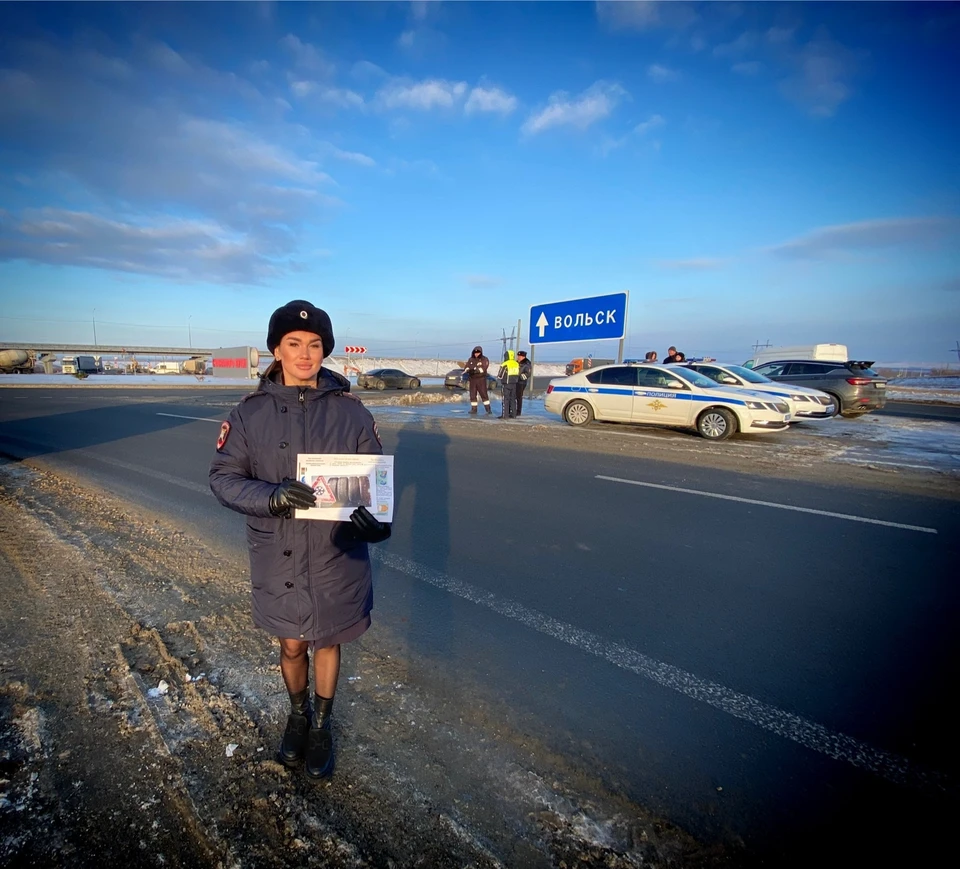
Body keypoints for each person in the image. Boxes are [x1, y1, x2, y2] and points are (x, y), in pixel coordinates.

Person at [209, 300, 392, 781]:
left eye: (314, 345)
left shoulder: (352, 414)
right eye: (294, 344)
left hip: (336, 552)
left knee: (328, 641)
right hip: (279, 550)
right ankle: (297, 715)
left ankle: (324, 724)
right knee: (293, 644)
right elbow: (224, 478)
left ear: (324, 351)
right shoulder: (248, 414)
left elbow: (374, 484)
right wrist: (271, 497)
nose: (305, 354)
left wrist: (377, 522)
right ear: (277, 349)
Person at [462, 345, 492, 414]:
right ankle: (474, 409)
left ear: (481, 353)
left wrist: (476, 371)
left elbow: (483, 368)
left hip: (481, 379)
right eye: (475, 353)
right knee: (472, 395)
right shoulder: (471, 359)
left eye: (478, 353)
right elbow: (467, 367)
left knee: (483, 394)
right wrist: (467, 370)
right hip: (472, 380)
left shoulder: (484, 359)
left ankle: (488, 409)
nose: (476, 354)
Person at [498, 349, 520, 418]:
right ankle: (513, 415)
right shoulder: (516, 364)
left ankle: (505, 415)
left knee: (505, 399)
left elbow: (500, 375)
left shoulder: (505, 364)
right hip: (514, 384)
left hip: (506, 384)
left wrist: (500, 377)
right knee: (513, 399)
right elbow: (518, 373)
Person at [515, 350, 532, 417]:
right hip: (515, 381)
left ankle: (518, 411)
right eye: (518, 356)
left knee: (519, 397)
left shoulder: (527, 364)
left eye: (520, 356)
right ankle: (513, 409)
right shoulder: (516, 362)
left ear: (524, 357)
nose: (518, 357)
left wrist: (520, 377)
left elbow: (528, 374)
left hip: (521, 382)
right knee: (514, 396)